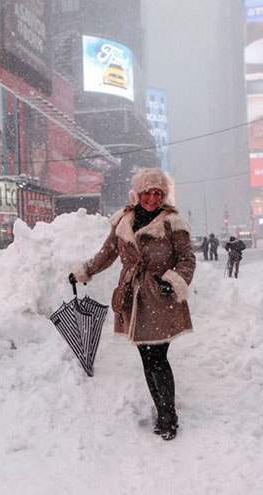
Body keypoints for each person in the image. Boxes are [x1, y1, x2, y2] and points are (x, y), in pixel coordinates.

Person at [69, 169, 196, 441]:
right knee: (147, 358)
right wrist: (84, 271)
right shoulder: (124, 221)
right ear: (138, 194)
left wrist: (173, 281)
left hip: (161, 298)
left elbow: (187, 259)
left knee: (158, 358)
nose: (152, 198)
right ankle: (162, 409)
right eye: (148, 192)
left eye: (158, 193)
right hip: (132, 296)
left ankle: (168, 416)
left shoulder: (173, 223)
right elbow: (107, 254)